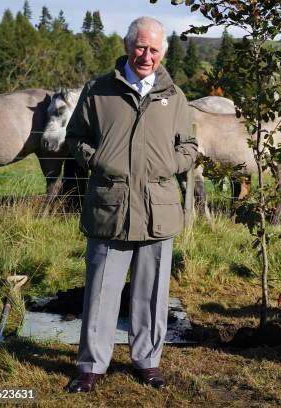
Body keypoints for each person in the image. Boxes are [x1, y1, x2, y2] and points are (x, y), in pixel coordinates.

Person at [65, 16, 197, 393]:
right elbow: (75, 137)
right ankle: (91, 365)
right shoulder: (99, 91)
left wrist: (171, 164)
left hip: (159, 209)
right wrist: (96, 159)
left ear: (163, 53)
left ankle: (148, 361)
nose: (147, 55)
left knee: (153, 292)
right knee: (101, 289)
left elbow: (189, 146)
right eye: (141, 47)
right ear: (127, 47)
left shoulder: (174, 96)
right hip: (111, 206)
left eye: (154, 49)